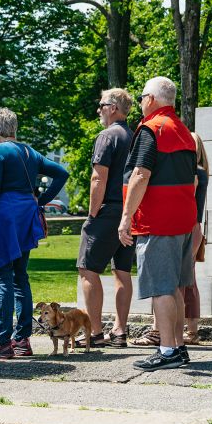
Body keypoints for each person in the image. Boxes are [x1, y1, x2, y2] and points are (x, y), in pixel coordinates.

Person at [118, 77, 198, 372]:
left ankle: (167, 351)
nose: (140, 102)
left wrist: (126, 217)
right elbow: (193, 177)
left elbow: (140, 174)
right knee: (174, 286)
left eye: (141, 97)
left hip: (158, 220)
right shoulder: (184, 132)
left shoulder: (152, 128)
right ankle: (177, 346)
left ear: (150, 99)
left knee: (162, 288)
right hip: (182, 218)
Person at [0, 108, 69, 359]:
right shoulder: (30, 152)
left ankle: (1, 340)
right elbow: (62, 173)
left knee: (3, 276)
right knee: (20, 276)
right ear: (14, 129)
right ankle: (22, 340)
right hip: (26, 214)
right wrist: (40, 200)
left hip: (4, 216)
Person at [75, 88, 135, 348]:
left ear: (113, 108)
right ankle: (120, 331)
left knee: (87, 269)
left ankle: (96, 332)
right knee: (121, 271)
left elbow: (98, 177)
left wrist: (92, 213)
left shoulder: (107, 136)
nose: (98, 110)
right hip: (130, 211)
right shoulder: (135, 136)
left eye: (101, 105)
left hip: (108, 210)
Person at [183, 132, 209, 345]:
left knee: (185, 281)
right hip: (194, 228)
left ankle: (190, 332)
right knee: (188, 280)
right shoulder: (202, 171)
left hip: (188, 227)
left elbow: (186, 197)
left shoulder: (194, 172)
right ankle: (191, 331)